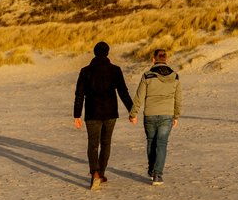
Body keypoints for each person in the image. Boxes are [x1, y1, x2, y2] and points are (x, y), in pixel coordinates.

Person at [73, 41, 133, 190]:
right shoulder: (115, 70)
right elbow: (123, 92)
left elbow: (79, 94)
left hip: (92, 112)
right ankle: (101, 172)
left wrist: (77, 114)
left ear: (94, 53)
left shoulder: (85, 71)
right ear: (107, 53)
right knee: (106, 143)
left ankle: (95, 174)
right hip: (110, 112)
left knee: (93, 144)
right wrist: (132, 110)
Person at [129, 48, 181, 185]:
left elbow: (139, 96)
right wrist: (176, 116)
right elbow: (178, 99)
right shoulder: (175, 76)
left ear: (153, 59)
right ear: (167, 60)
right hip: (167, 115)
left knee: (151, 142)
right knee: (162, 144)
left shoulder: (147, 75)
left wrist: (133, 114)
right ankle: (157, 175)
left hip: (150, 115)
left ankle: (152, 171)